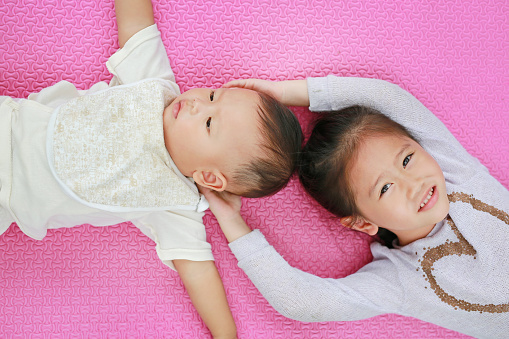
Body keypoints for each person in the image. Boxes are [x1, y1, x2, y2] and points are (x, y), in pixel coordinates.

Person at [0, 0, 302, 337]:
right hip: (8, 124)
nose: (197, 102)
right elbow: (136, 23)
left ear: (209, 177)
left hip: (8, 204)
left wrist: (225, 335)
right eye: (215, 96)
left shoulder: (174, 202)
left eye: (208, 123)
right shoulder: (152, 84)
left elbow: (199, 273)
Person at [202, 76, 509, 338]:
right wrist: (231, 221)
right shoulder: (402, 279)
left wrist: (289, 93)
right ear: (362, 223)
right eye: (385, 188)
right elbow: (301, 301)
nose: (413, 183)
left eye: (407, 159)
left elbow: (389, 97)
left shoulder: (456, 172)